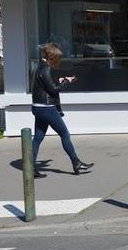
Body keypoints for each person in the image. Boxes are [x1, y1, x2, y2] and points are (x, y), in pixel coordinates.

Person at [31, 43, 93, 175]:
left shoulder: (39, 66)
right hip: (47, 108)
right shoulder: (45, 69)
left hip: (37, 107)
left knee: (37, 137)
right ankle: (76, 163)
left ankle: (30, 167)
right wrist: (66, 82)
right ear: (52, 57)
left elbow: (46, 87)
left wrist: (60, 81)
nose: (58, 61)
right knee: (64, 134)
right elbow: (53, 90)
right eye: (57, 58)